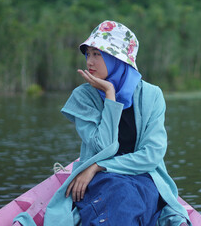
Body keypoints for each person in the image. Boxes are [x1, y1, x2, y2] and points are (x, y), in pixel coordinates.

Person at [13, 20, 191, 226]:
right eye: (88, 54)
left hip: (142, 176)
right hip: (98, 181)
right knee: (121, 195)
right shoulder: (83, 97)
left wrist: (98, 166)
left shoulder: (152, 95)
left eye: (97, 54)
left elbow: (151, 155)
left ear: (118, 58)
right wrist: (110, 96)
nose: (90, 61)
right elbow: (104, 148)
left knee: (127, 197)